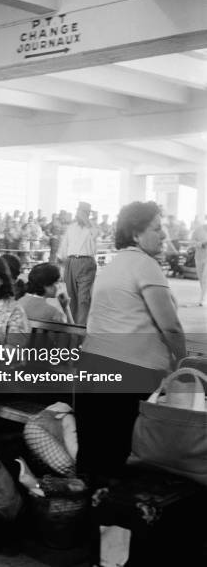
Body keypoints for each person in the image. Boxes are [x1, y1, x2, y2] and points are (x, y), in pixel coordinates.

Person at [75, 201, 186, 485]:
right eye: (157, 229)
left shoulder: (114, 264)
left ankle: (86, 518)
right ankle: (118, 522)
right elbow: (170, 326)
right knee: (121, 461)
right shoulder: (145, 265)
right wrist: (181, 363)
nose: (164, 235)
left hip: (92, 369)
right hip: (130, 374)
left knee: (93, 458)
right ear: (136, 234)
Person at [57, 201, 99, 325]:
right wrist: (60, 263)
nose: (79, 215)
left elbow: (95, 234)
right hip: (70, 262)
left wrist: (87, 221)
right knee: (71, 298)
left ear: (87, 214)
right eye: (78, 212)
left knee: (83, 299)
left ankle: (80, 331)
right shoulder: (71, 227)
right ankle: (71, 327)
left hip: (87, 262)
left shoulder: (93, 227)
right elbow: (64, 245)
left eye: (82, 212)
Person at [191, 216, 207, 306]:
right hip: (199, 257)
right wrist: (201, 244)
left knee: (205, 277)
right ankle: (204, 295)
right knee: (201, 278)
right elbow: (192, 242)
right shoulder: (198, 230)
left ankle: (202, 299)